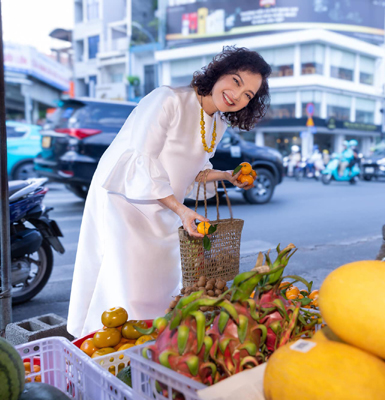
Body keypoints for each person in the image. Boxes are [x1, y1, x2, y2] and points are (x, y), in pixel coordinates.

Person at [67, 47, 271, 337]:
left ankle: (146, 346)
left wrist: (227, 176)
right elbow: (140, 162)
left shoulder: (218, 124)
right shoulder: (168, 99)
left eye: (248, 95)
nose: (237, 95)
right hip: (125, 201)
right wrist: (181, 210)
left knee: (160, 283)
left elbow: (193, 170)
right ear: (219, 72)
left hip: (165, 204)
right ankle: (103, 343)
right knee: (125, 280)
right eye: (236, 81)